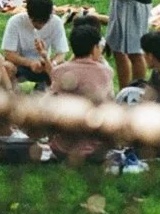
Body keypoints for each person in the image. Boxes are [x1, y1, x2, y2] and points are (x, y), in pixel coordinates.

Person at [48, 20, 114, 161]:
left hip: (62, 147)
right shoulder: (106, 72)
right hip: (96, 149)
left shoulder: (59, 71)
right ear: (94, 48)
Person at [1, 0, 68, 89]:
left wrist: (52, 63)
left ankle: (49, 91)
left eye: (44, 21)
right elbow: (9, 54)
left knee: (64, 67)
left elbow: (61, 53)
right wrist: (30, 63)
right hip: (20, 64)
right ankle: (13, 94)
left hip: (45, 63)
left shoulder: (56, 22)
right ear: (28, 14)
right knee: (6, 67)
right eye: (36, 21)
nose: (40, 25)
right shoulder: (15, 22)